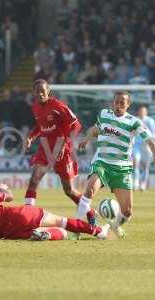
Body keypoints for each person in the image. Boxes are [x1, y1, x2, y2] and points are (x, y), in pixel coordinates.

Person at [75, 91, 155, 239]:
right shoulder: (104, 114)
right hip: (102, 163)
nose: (119, 105)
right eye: (116, 101)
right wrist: (87, 138)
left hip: (122, 169)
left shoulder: (134, 122)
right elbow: (95, 129)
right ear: (113, 102)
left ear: (128, 105)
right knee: (89, 190)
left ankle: (113, 226)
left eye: (123, 102)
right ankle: (75, 230)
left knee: (127, 212)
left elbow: (150, 140)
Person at [0, 181, 109, 241]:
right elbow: (9, 197)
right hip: (17, 216)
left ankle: (46, 235)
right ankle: (98, 231)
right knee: (61, 221)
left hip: (8, 234)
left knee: (62, 233)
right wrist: (2, 190)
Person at [24, 79, 95, 219]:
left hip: (62, 151)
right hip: (45, 149)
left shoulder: (58, 105)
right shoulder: (35, 107)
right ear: (33, 92)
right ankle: (27, 216)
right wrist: (31, 137)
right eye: (37, 92)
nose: (40, 94)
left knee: (69, 191)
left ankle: (90, 213)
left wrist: (64, 144)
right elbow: (40, 126)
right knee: (33, 180)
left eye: (42, 91)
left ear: (48, 91)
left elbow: (76, 125)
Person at [132, 105, 155, 191]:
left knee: (146, 166)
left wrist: (149, 143)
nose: (142, 112)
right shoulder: (134, 120)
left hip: (146, 146)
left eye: (144, 111)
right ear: (138, 111)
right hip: (136, 145)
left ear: (146, 112)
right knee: (136, 163)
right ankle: (135, 183)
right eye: (141, 110)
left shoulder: (150, 121)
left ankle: (143, 184)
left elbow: (153, 135)